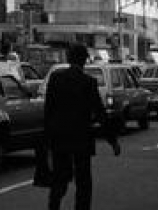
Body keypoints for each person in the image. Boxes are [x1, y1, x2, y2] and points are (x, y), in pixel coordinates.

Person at [43, 42, 120, 210]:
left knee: (59, 179)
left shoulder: (56, 78)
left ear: (69, 59)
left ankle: (53, 206)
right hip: (81, 139)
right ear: (84, 61)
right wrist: (112, 140)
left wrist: (47, 140)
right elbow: (100, 113)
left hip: (59, 138)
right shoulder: (88, 82)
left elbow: (48, 110)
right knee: (83, 182)